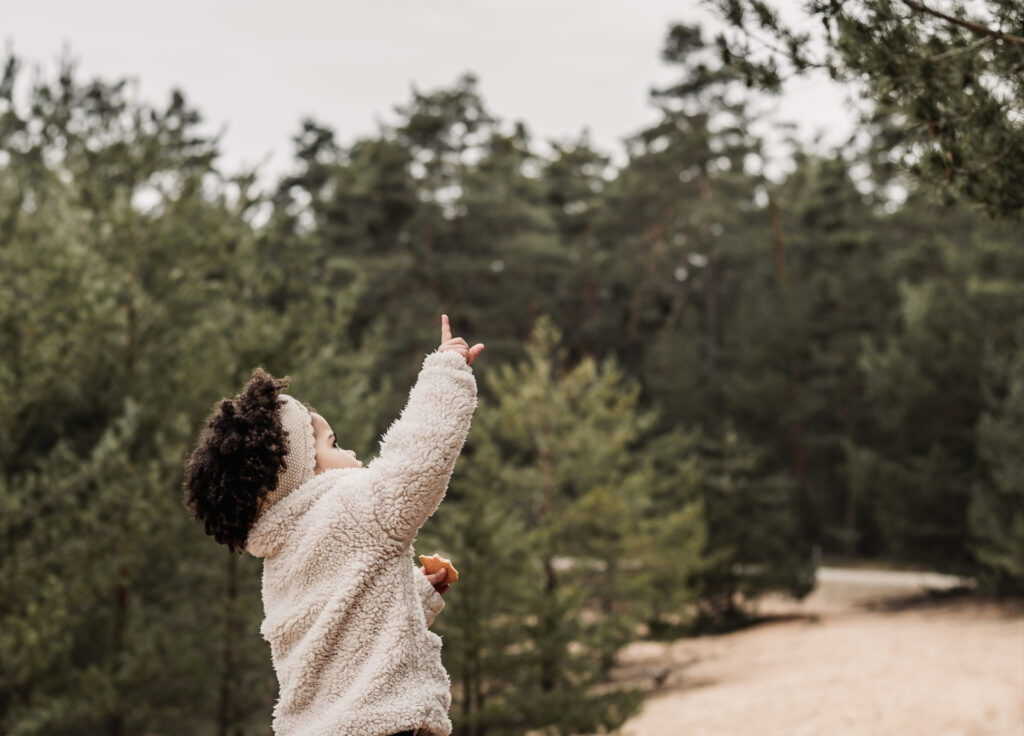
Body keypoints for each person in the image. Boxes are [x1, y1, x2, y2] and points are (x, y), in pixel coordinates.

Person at [183, 315, 484, 736]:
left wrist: (416, 593)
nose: (352, 452)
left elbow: (347, 632)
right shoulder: (349, 506)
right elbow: (418, 463)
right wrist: (446, 373)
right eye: (333, 444)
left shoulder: (281, 564)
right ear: (301, 474)